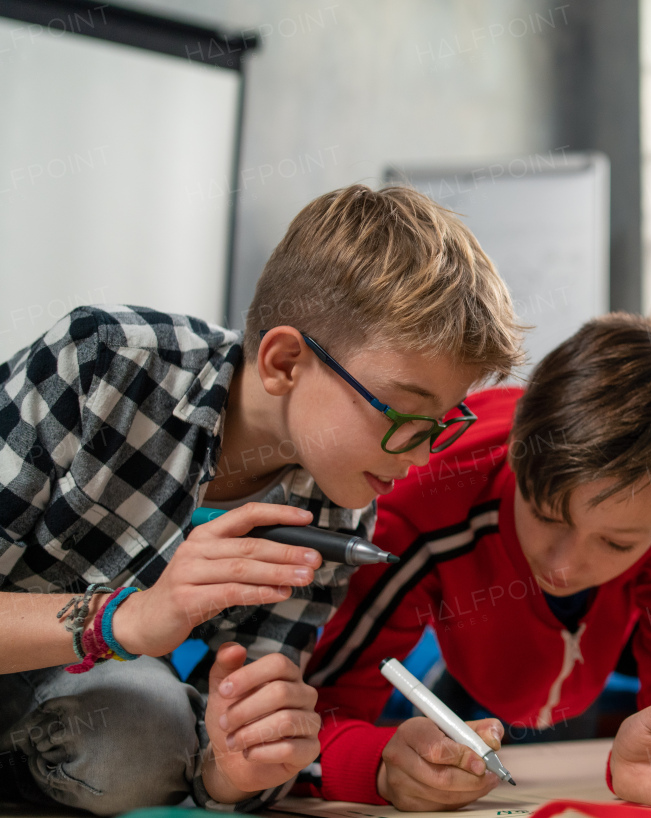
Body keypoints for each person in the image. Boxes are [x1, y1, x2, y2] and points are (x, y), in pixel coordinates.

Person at [0, 184, 523, 813]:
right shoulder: (104, 362)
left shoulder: (338, 505)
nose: (419, 454)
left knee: (141, 741)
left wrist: (238, 764)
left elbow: (219, 748)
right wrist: (126, 619)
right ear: (282, 362)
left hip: (59, 704)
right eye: (403, 412)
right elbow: (132, 628)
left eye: (442, 420)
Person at [303, 315, 651, 813]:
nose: (565, 567)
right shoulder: (425, 499)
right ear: (514, 452)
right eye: (547, 516)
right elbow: (320, 713)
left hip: (578, 668)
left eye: (617, 543)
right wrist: (378, 765)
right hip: (473, 661)